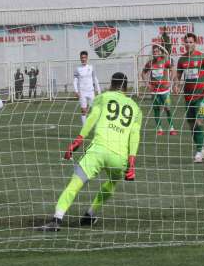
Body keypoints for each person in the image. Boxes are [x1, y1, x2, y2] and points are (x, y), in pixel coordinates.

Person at [40, 72, 142, 231]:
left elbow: (92, 117)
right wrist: (132, 163)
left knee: (75, 184)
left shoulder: (103, 97)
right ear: (126, 87)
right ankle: (91, 213)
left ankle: (57, 219)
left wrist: (78, 140)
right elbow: (135, 136)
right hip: (119, 157)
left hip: (98, 151)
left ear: (111, 84)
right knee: (113, 181)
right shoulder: (136, 108)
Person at [176, 33, 204, 163]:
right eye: (186, 42)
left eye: (190, 42)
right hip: (188, 98)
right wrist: (176, 85)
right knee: (191, 125)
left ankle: (199, 151)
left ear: (195, 43)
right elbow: (178, 75)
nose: (188, 44)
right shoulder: (182, 60)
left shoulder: (202, 57)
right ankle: (201, 147)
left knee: (199, 122)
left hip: (201, 97)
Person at [141, 45, 177, 136]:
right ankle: (159, 129)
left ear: (160, 52)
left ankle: (172, 128)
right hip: (154, 91)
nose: (155, 53)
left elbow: (173, 70)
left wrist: (170, 82)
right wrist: (147, 84)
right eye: (154, 52)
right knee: (156, 109)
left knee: (168, 108)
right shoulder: (150, 63)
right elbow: (143, 73)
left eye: (157, 51)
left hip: (165, 91)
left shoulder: (165, 61)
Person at [73, 51, 101, 124]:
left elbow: (95, 79)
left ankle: (97, 124)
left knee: (95, 109)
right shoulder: (77, 69)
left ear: (87, 58)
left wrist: (99, 91)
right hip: (82, 92)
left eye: (85, 57)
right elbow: (75, 80)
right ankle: (84, 127)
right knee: (83, 110)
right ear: (80, 58)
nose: (83, 59)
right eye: (82, 57)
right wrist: (76, 91)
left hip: (91, 91)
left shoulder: (91, 67)